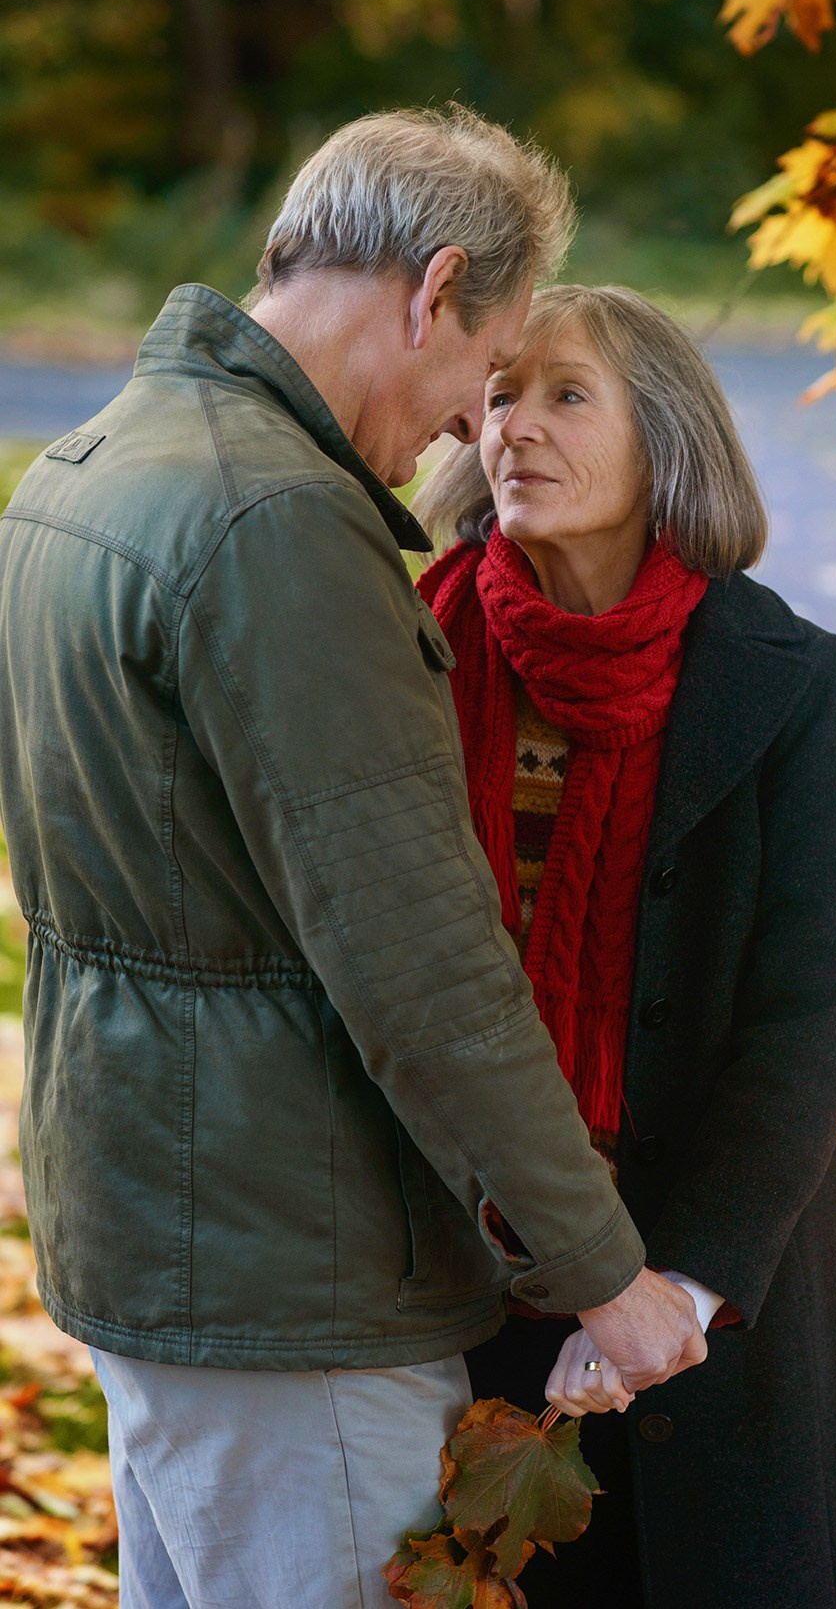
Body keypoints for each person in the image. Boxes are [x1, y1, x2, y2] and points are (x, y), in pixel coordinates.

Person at [0, 114, 705, 1609]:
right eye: (486, 361)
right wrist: (602, 1272)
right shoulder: (278, 525)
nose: (471, 423)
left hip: (161, 1240)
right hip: (296, 1277)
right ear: (431, 287)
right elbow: (421, 959)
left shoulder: (89, 467)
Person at [415, 284, 836, 1609]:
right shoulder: (410, 654)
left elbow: (809, 1018)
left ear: (666, 440)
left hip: (720, 1285)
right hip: (461, 1282)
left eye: (564, 395)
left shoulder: (788, 679)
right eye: (496, 397)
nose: (512, 427)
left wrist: (683, 1284)